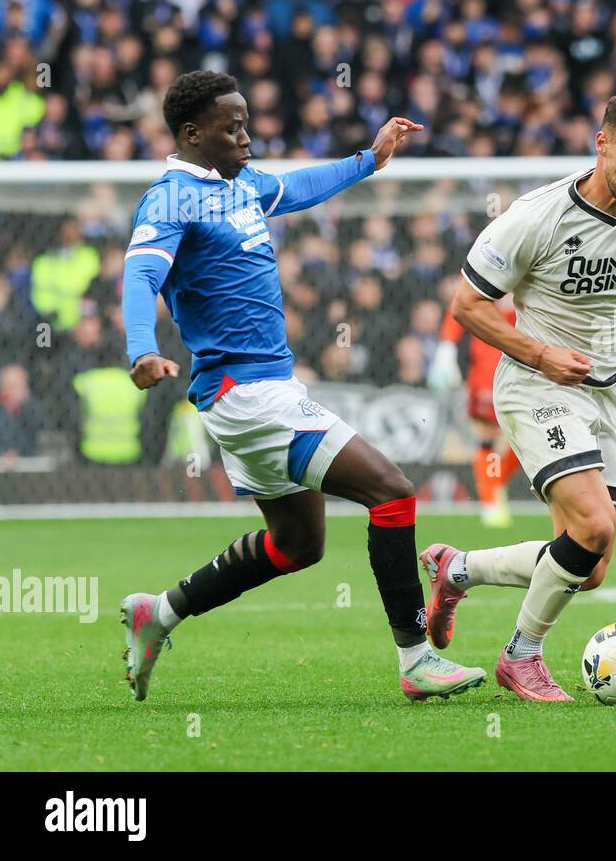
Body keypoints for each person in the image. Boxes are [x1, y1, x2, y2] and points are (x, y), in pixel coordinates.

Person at [118, 70, 485, 701]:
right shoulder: (172, 199)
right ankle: (416, 658)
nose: (245, 134)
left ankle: (162, 612)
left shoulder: (242, 187)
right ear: (191, 132)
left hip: (253, 393)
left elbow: (302, 186)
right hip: (249, 394)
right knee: (393, 493)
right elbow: (138, 278)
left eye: (246, 121)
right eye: (231, 126)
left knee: (297, 544)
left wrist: (370, 159)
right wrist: (142, 351)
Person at [422, 91, 616, 701]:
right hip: (535, 385)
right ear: (601, 141)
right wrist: (539, 353)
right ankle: (520, 656)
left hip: (601, 395)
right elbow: (467, 306)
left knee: (591, 564)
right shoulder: (536, 216)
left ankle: (459, 570)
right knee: (592, 526)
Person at [428, 295, 523, 528]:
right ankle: (490, 500)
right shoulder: (483, 260)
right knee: (488, 434)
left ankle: (495, 481)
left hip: (525, 361)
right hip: (487, 363)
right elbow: (460, 301)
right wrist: (446, 347)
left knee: (526, 434)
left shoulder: (536, 260)